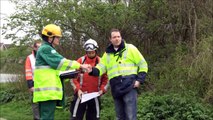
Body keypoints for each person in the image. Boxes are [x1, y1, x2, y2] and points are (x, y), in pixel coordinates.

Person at [33, 24, 91, 120]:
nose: (59, 39)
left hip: (47, 94)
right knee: (47, 118)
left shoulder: (47, 49)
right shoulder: (46, 49)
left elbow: (59, 71)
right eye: (57, 37)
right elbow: (62, 62)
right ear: (50, 37)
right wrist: (80, 65)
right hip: (46, 94)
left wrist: (77, 71)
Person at [88, 28, 148, 120]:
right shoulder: (107, 54)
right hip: (116, 88)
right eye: (114, 37)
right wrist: (91, 70)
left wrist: (139, 80)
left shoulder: (130, 48)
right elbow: (101, 68)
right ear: (110, 39)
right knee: (119, 117)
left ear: (121, 37)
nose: (117, 39)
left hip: (130, 85)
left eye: (118, 36)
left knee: (130, 116)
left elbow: (143, 64)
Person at [70, 39, 108, 120]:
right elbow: (73, 77)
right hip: (81, 95)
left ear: (96, 50)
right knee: (75, 117)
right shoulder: (80, 61)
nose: (90, 54)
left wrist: (102, 89)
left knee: (94, 118)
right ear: (86, 51)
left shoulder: (101, 62)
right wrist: (77, 89)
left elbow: (106, 79)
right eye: (89, 52)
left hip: (95, 95)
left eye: (92, 52)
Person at [25, 40, 41, 120]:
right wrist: (30, 85)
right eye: (38, 47)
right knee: (36, 105)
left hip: (45, 84)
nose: (40, 49)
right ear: (34, 48)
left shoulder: (45, 56)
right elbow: (28, 72)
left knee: (44, 105)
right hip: (35, 84)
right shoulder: (30, 58)